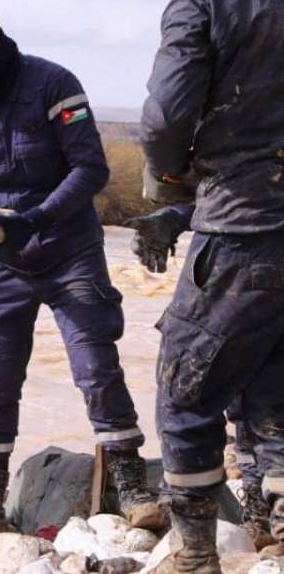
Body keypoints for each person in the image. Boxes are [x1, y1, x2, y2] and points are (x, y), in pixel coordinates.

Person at [0, 0, 165, 553]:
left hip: (66, 248)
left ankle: (131, 487)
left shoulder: (52, 84)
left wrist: (29, 220)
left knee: (94, 364)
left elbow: (90, 169)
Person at [138, 0, 284, 571]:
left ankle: (196, 553)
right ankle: (274, 526)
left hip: (244, 228)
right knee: (275, 376)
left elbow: (167, 118)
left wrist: (170, 180)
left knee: (186, 387)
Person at [127, 205, 273, 549]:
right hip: (246, 250)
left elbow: (238, 184)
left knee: (190, 393)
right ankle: (262, 513)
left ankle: (200, 549)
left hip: (242, 249)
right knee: (259, 393)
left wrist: (176, 216)